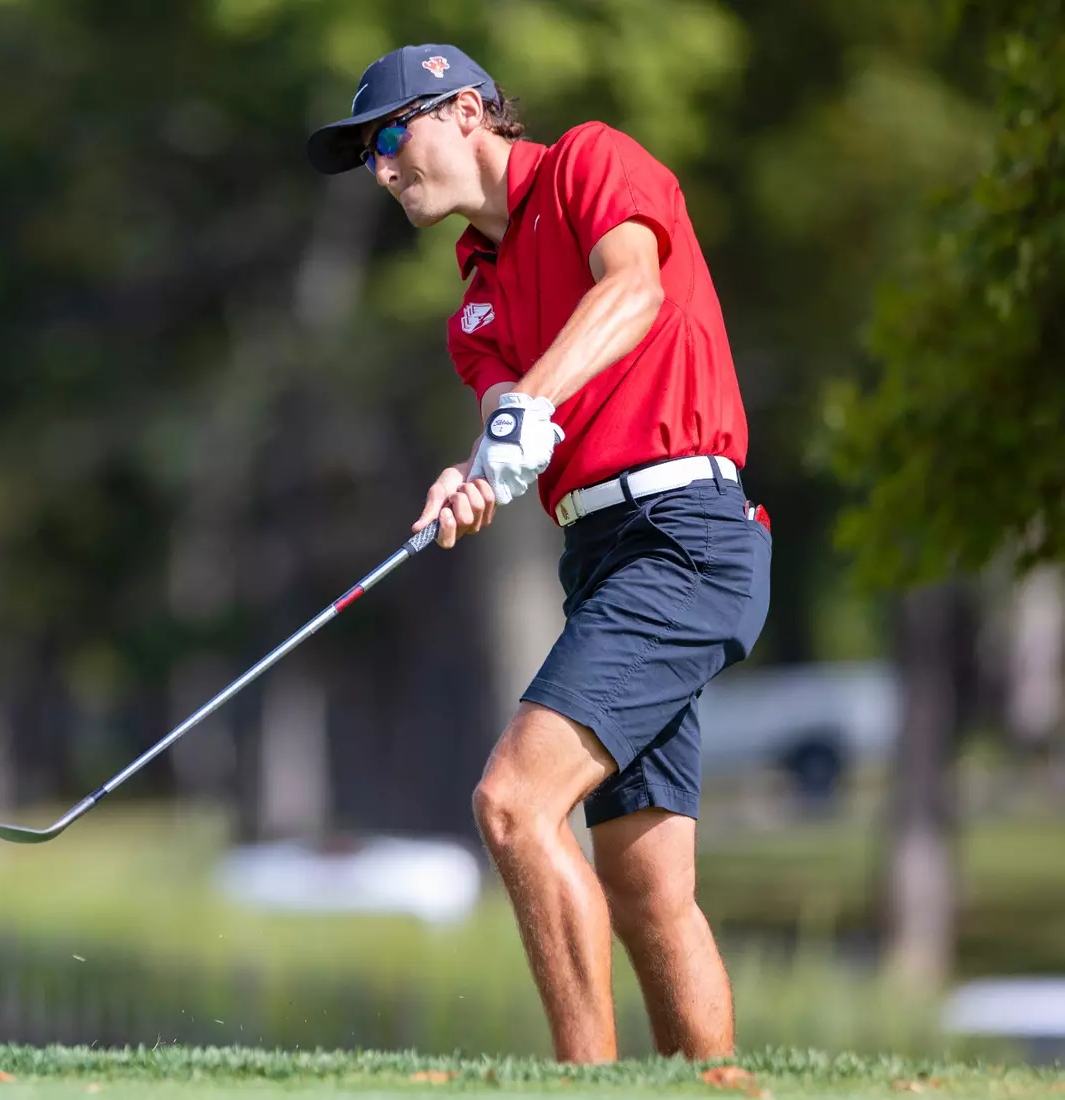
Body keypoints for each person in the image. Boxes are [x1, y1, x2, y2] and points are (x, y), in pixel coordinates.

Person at [306, 44, 773, 1064]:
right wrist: (470, 477)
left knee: (513, 802)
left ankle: (581, 1084)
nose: (382, 170)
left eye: (390, 139)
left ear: (467, 110)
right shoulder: (473, 303)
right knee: (649, 887)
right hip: (602, 556)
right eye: (368, 158)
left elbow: (633, 289)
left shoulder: (590, 164)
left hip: (688, 537)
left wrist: (527, 405)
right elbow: (511, 434)